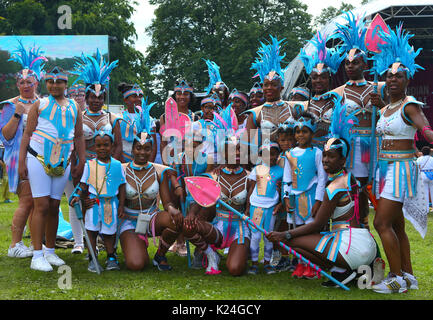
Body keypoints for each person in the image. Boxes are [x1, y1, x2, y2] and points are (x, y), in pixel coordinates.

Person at [266, 98, 380, 288]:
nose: (326, 160)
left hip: (350, 246)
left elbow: (318, 224)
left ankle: (344, 269)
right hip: (363, 243)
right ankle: (343, 270)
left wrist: (284, 235)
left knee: (293, 241)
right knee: (306, 238)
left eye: (331, 156)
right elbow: (363, 216)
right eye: (325, 155)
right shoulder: (352, 180)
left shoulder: (334, 186)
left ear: (343, 160)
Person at [371, 24, 433, 293]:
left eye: (399, 76)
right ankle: (409, 276)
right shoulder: (386, 108)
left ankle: (395, 278)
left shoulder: (409, 105)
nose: (393, 79)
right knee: (395, 224)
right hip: (384, 168)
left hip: (400, 168)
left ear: (408, 80)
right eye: (389, 76)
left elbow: (425, 129)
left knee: (380, 222)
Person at [18, 66, 86, 272]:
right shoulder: (40, 104)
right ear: (46, 84)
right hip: (38, 159)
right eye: (50, 81)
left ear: (66, 84)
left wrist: (80, 160)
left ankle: (49, 251)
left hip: (63, 162)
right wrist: (22, 162)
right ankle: (36, 255)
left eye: (59, 82)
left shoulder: (74, 106)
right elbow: (27, 134)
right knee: (41, 206)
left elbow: (79, 135)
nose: (54, 85)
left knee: (55, 206)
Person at [175, 106, 252, 276]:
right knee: (188, 226)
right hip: (218, 227)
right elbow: (200, 200)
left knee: (234, 269)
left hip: (239, 229)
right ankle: (210, 255)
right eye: (232, 149)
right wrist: (192, 215)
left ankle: (243, 251)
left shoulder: (250, 177)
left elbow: (252, 209)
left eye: (239, 148)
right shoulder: (213, 176)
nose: (237, 152)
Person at [330, 11, 388, 230]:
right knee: (353, 188)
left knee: (372, 189)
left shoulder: (380, 87)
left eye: (355, 63)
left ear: (365, 64)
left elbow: (392, 116)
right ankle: (354, 226)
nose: (350, 66)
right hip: (351, 148)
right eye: (347, 63)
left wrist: (380, 106)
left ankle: (371, 226)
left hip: (375, 146)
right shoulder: (337, 92)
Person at [64, 50, 122, 255]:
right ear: (86, 97)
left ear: (104, 98)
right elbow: (72, 142)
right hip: (82, 166)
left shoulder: (112, 117)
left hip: (105, 168)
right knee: (77, 200)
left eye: (100, 97)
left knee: (102, 202)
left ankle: (104, 244)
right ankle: (80, 242)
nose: (96, 100)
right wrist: (75, 164)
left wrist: (112, 168)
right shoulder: (77, 116)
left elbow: (118, 146)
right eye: (92, 97)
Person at [1, 41, 46, 258]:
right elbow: (6, 135)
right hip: (18, 158)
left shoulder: (45, 104)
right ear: (17, 84)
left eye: (29, 81)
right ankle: (14, 245)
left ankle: (27, 243)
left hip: (41, 158)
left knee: (36, 201)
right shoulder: (9, 105)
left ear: (37, 82)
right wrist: (18, 113)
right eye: (21, 82)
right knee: (26, 200)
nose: (26, 85)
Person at [118, 130, 184, 271]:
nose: (142, 152)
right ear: (132, 149)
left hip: (152, 217)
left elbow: (166, 203)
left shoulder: (158, 171)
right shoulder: (122, 171)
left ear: (152, 150)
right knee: (136, 264)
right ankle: (134, 245)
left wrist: (172, 209)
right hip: (129, 220)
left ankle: (160, 255)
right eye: (139, 148)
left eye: (147, 148)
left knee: (176, 220)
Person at [70, 130, 125, 272]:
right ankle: (92, 256)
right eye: (99, 145)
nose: (102, 148)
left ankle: (111, 257)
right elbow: (83, 184)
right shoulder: (90, 165)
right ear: (94, 147)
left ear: (112, 146)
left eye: (106, 145)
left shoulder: (117, 165)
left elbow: (122, 185)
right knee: (91, 230)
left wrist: (121, 205)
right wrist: (78, 196)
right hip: (93, 204)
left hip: (110, 203)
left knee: (109, 232)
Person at [282, 112, 327, 279]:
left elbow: (322, 178)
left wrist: (318, 201)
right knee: (297, 230)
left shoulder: (317, 153)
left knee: (310, 231)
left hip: (310, 197)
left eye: (305, 131)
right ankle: (300, 264)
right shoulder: (290, 153)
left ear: (313, 133)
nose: (301, 134)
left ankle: (312, 264)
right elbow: (287, 178)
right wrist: (286, 198)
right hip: (294, 198)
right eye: (298, 131)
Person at [297, 31, 345, 149]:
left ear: (329, 78)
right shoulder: (303, 106)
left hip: (331, 154)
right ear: (311, 80)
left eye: (323, 77)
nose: (318, 81)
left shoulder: (338, 101)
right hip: (310, 153)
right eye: (315, 78)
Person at [247, 36, 295, 147]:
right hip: (267, 158)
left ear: (281, 87)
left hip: (291, 157)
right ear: (262, 87)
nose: (269, 88)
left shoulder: (294, 108)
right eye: (266, 85)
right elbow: (248, 145)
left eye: (274, 85)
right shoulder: (255, 114)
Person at [246, 140, 284, 275]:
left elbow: (283, 190)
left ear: (278, 155)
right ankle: (254, 264)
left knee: (269, 236)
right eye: (268, 155)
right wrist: (247, 207)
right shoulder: (256, 169)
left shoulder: (281, 171)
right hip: (256, 207)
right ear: (261, 156)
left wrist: (280, 204)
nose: (271, 157)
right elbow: (251, 188)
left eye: (274, 154)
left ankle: (267, 263)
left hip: (270, 208)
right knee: (255, 236)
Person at [116, 83, 157, 163]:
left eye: (140, 96)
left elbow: (154, 145)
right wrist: (123, 165)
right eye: (134, 96)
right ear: (126, 100)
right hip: (124, 160)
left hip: (144, 161)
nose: (138, 99)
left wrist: (149, 165)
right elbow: (116, 144)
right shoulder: (118, 119)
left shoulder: (150, 120)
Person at [417, 146, 433, 212]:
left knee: (425, 193)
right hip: (432, 175)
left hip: (423, 175)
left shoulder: (419, 159)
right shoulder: (432, 158)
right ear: (429, 152)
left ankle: (426, 209)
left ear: (422, 152)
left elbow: (417, 168)